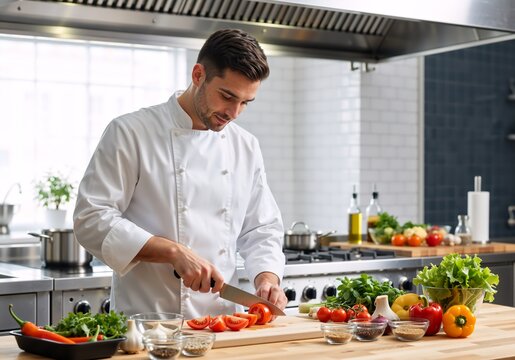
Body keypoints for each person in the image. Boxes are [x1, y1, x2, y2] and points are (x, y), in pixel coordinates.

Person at [73, 28, 287, 319]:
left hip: (223, 324)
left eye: (245, 103)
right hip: (150, 322)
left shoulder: (245, 146)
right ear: (198, 75)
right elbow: (91, 218)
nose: (234, 112)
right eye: (227, 96)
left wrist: (267, 278)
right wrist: (172, 252)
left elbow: (261, 228)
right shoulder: (131, 132)